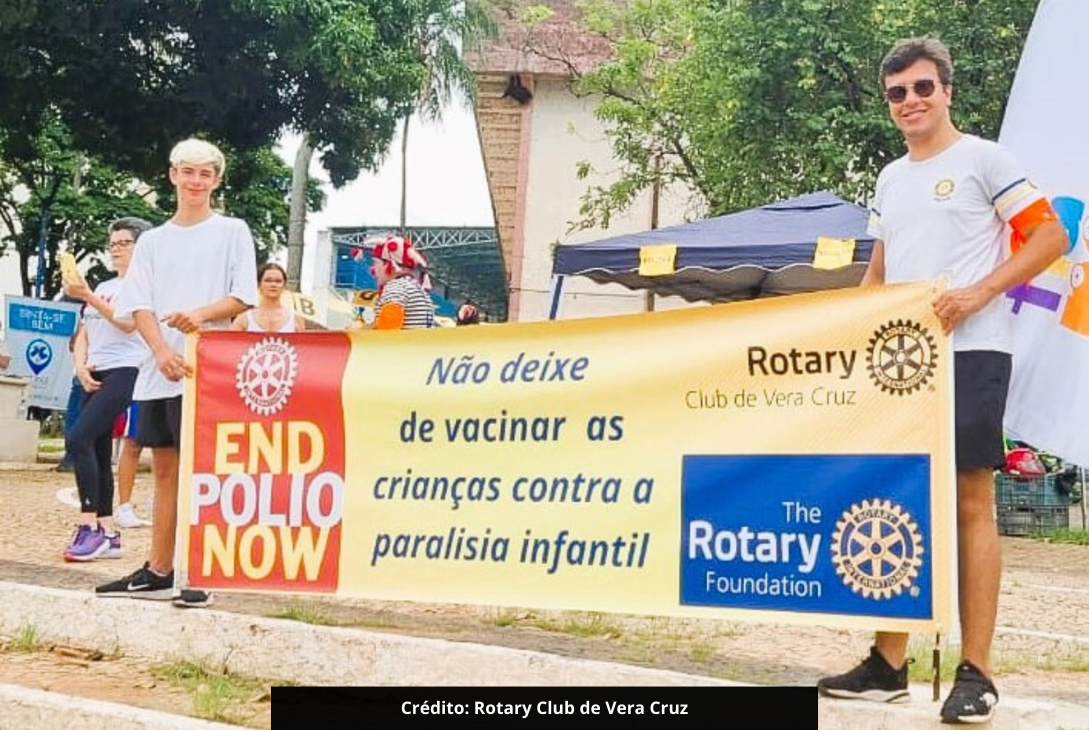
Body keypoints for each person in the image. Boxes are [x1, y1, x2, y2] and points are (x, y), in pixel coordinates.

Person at [815, 37, 1066, 724]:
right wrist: (849, 337)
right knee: (894, 500)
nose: (910, 102)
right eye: (896, 93)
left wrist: (977, 294)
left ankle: (977, 672)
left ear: (946, 90)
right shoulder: (890, 178)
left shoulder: (985, 159)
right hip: (900, 363)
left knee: (966, 504)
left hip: (972, 351)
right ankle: (886, 663)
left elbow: (1050, 239)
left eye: (922, 88)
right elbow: (877, 273)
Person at [95, 138, 257, 607]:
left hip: (208, 369)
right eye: (188, 172)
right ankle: (159, 566)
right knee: (164, 468)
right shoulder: (152, 241)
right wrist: (161, 349)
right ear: (172, 175)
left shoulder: (232, 231)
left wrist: (201, 316)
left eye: (205, 174)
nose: (195, 181)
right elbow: (138, 303)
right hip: (157, 369)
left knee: (203, 471)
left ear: (216, 181)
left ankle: (202, 569)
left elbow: (241, 294)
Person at [60, 217, 153, 561]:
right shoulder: (103, 286)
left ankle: (89, 525)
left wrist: (85, 294)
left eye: (123, 243)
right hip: (95, 371)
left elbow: (128, 323)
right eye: (112, 243)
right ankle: (108, 530)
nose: (116, 249)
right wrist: (80, 366)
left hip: (125, 371)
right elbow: (84, 331)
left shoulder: (144, 286)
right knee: (96, 448)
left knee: (78, 438)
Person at [369, 234, 435, 330]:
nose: (372, 269)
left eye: (375, 263)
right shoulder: (415, 287)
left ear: (389, 263)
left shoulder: (395, 287)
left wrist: (361, 329)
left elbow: (388, 328)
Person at [231, 262, 305, 332]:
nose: (273, 284)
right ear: (259, 284)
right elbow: (231, 343)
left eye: (278, 281)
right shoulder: (244, 319)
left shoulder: (296, 319)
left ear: (284, 285)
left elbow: (302, 344)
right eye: (268, 281)